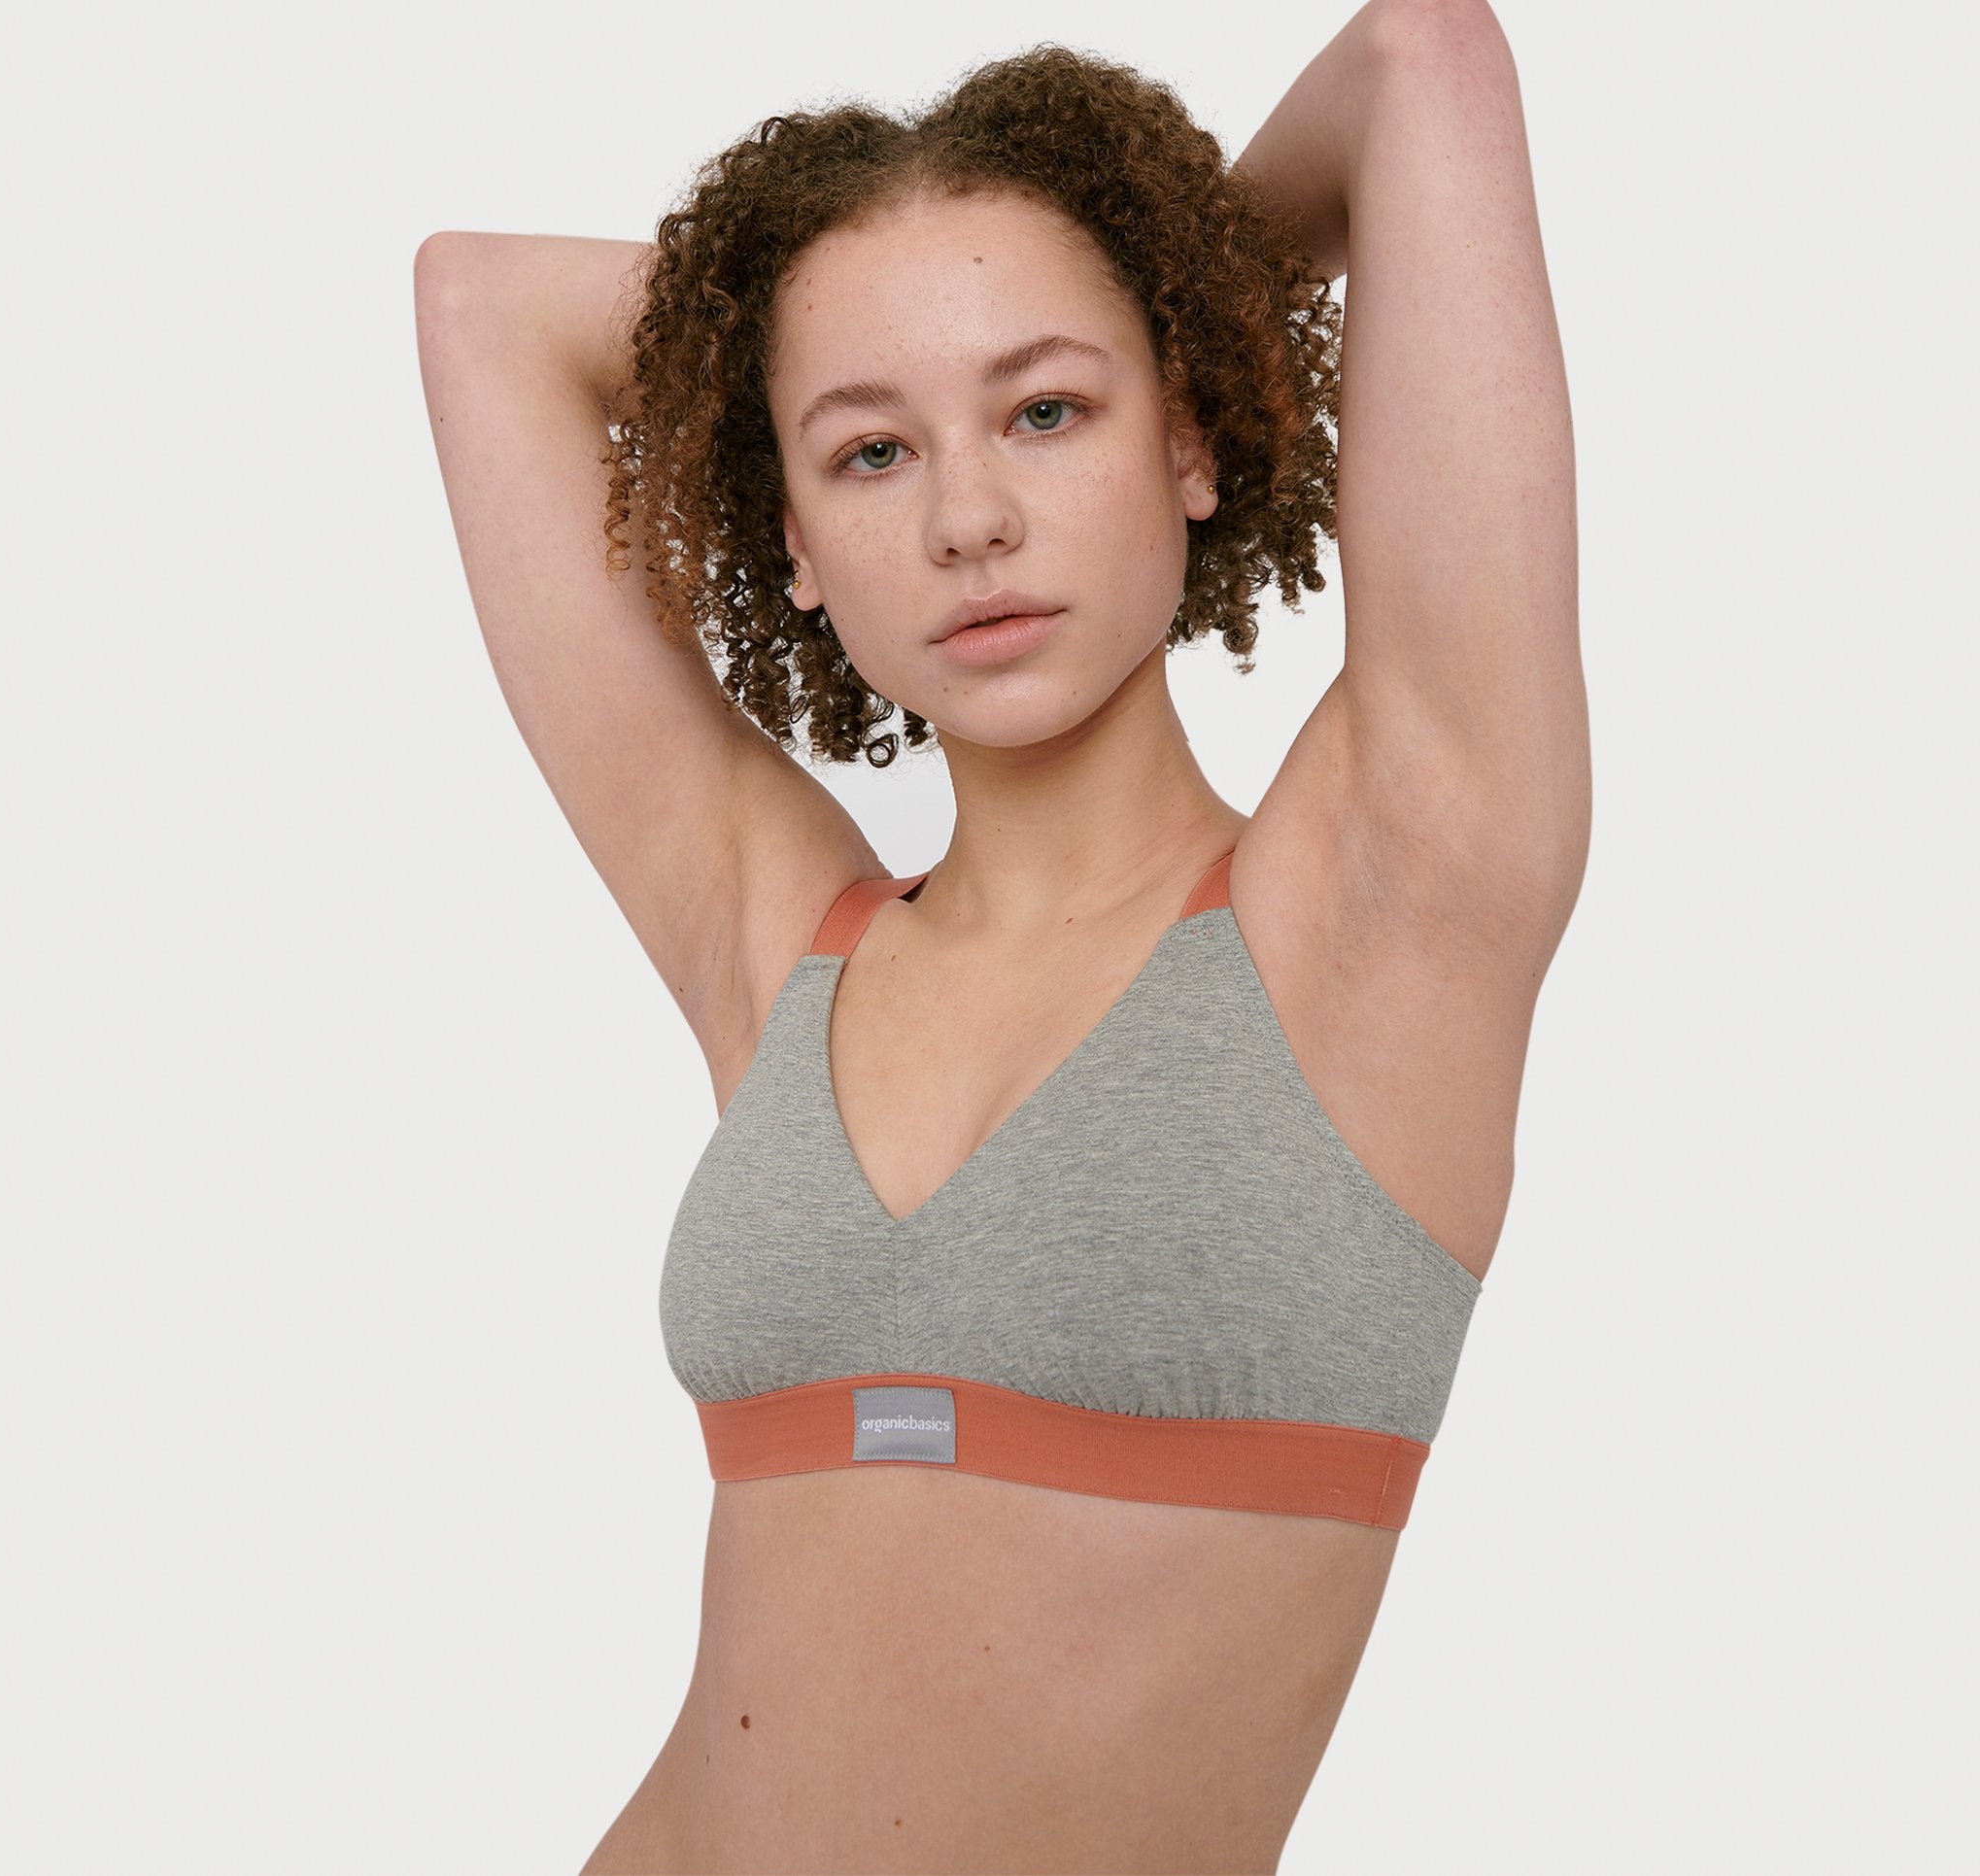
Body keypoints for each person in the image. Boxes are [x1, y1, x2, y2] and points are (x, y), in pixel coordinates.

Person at [415, 0, 1587, 1866]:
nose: (969, 515)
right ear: (795, 543)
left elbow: (1422, 60)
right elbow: (477, 308)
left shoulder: (1389, 907)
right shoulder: (780, 946)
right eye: (871, 453)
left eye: (1051, 411)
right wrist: (859, 336)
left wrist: (1171, 286)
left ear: (1189, 436)